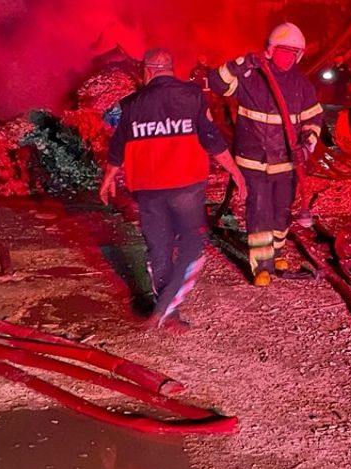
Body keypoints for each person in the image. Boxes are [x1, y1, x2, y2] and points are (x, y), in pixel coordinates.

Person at [100, 48, 246, 329]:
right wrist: (236, 172)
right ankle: (166, 308)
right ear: (170, 68)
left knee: (159, 248)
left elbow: (117, 145)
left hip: (148, 189)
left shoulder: (130, 104)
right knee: (193, 247)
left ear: (148, 70)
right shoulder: (192, 96)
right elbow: (212, 140)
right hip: (185, 188)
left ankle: (166, 310)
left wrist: (108, 177)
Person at [209, 23, 323, 286]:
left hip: (286, 163)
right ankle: (262, 265)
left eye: (294, 53)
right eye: (284, 51)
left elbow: (314, 119)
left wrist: (307, 146)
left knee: (281, 212)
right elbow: (216, 82)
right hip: (253, 162)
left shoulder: (302, 86)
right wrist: (239, 64)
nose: (289, 57)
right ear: (270, 51)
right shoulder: (250, 78)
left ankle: (278, 251)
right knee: (258, 212)